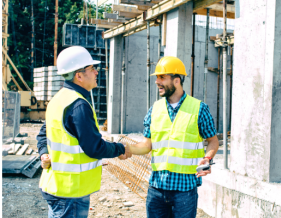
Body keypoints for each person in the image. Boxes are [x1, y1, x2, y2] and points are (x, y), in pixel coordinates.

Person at [36, 46, 131, 218]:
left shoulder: (58, 100)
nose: (96, 72)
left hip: (56, 186)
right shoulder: (78, 105)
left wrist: (43, 153)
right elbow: (94, 147)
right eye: (92, 68)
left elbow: (43, 135)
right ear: (79, 76)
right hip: (71, 191)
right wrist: (121, 148)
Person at [128, 56, 219, 218]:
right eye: (157, 77)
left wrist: (207, 157)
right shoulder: (154, 109)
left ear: (177, 80)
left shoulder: (199, 109)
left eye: (162, 77)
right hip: (157, 188)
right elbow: (146, 145)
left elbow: (212, 141)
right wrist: (125, 149)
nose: (157, 81)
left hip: (185, 190)